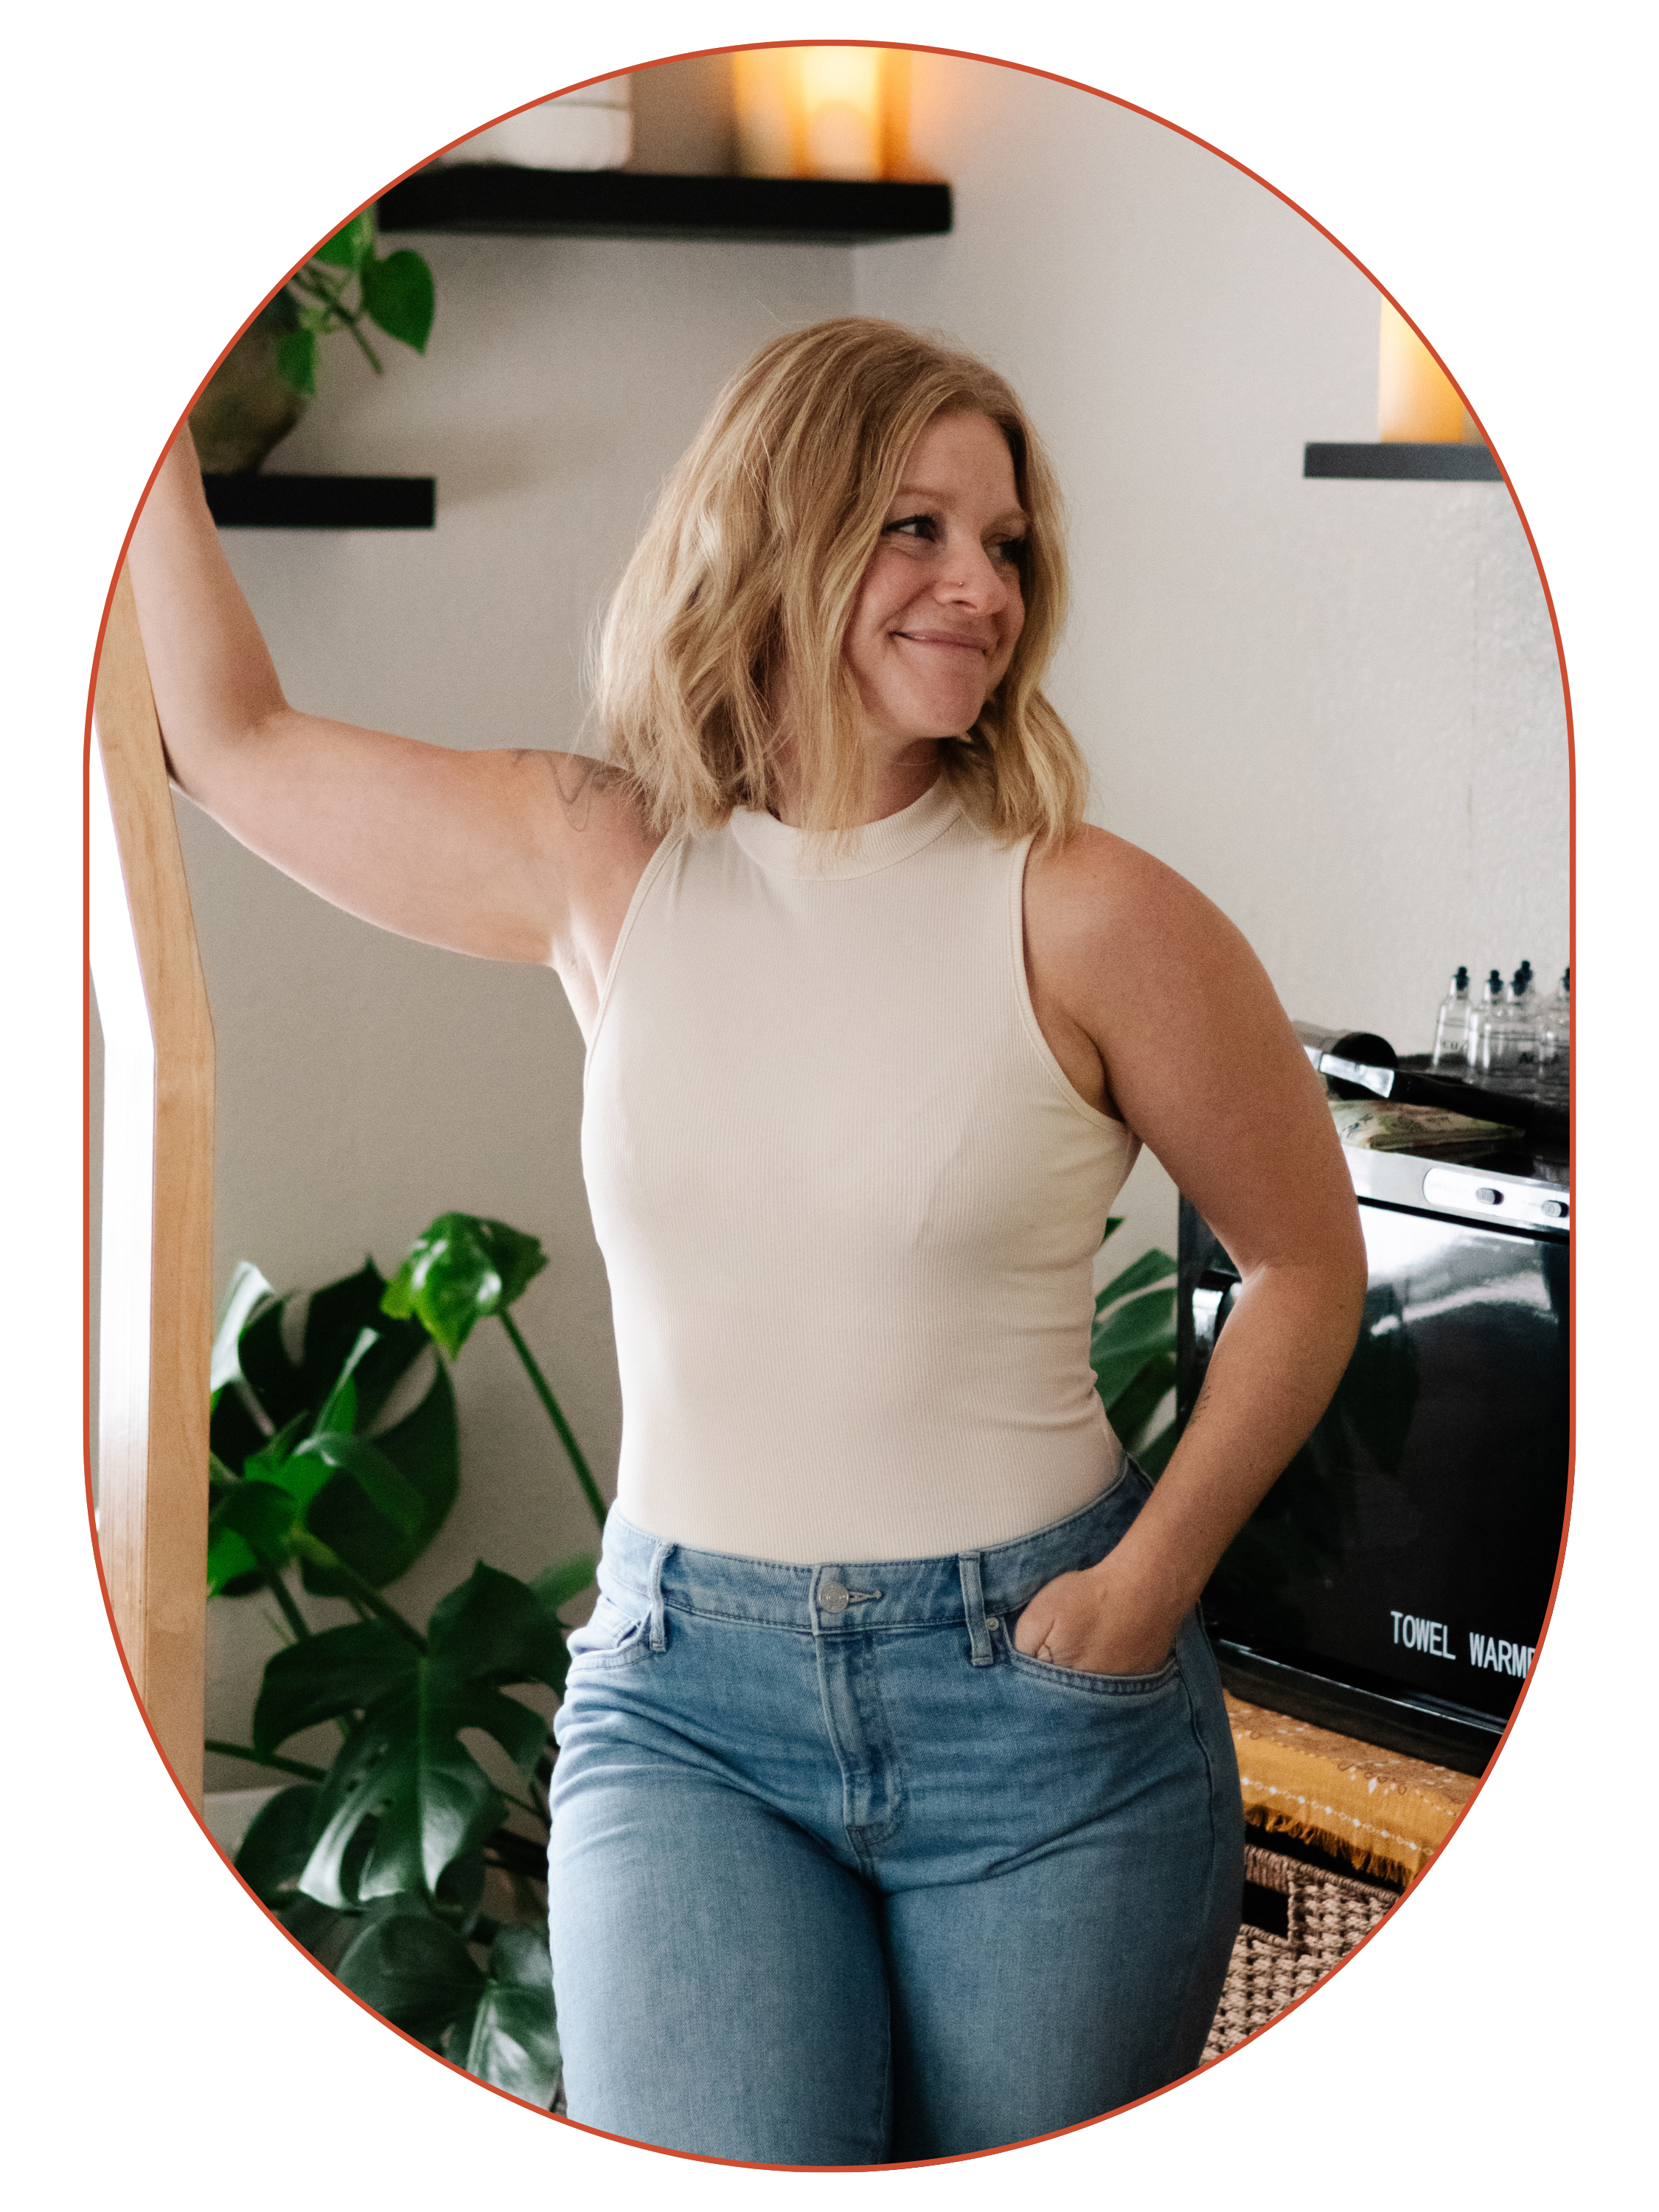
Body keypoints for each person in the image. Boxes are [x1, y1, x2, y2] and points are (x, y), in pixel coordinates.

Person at [128, 316, 1366, 2163]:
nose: (980, 587)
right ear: (777, 527)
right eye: (917, 528)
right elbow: (225, 741)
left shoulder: (1092, 911)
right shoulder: (603, 858)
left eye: (1006, 545)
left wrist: (1141, 1595)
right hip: (683, 1708)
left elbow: (1305, 1266)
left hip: (1038, 1717)